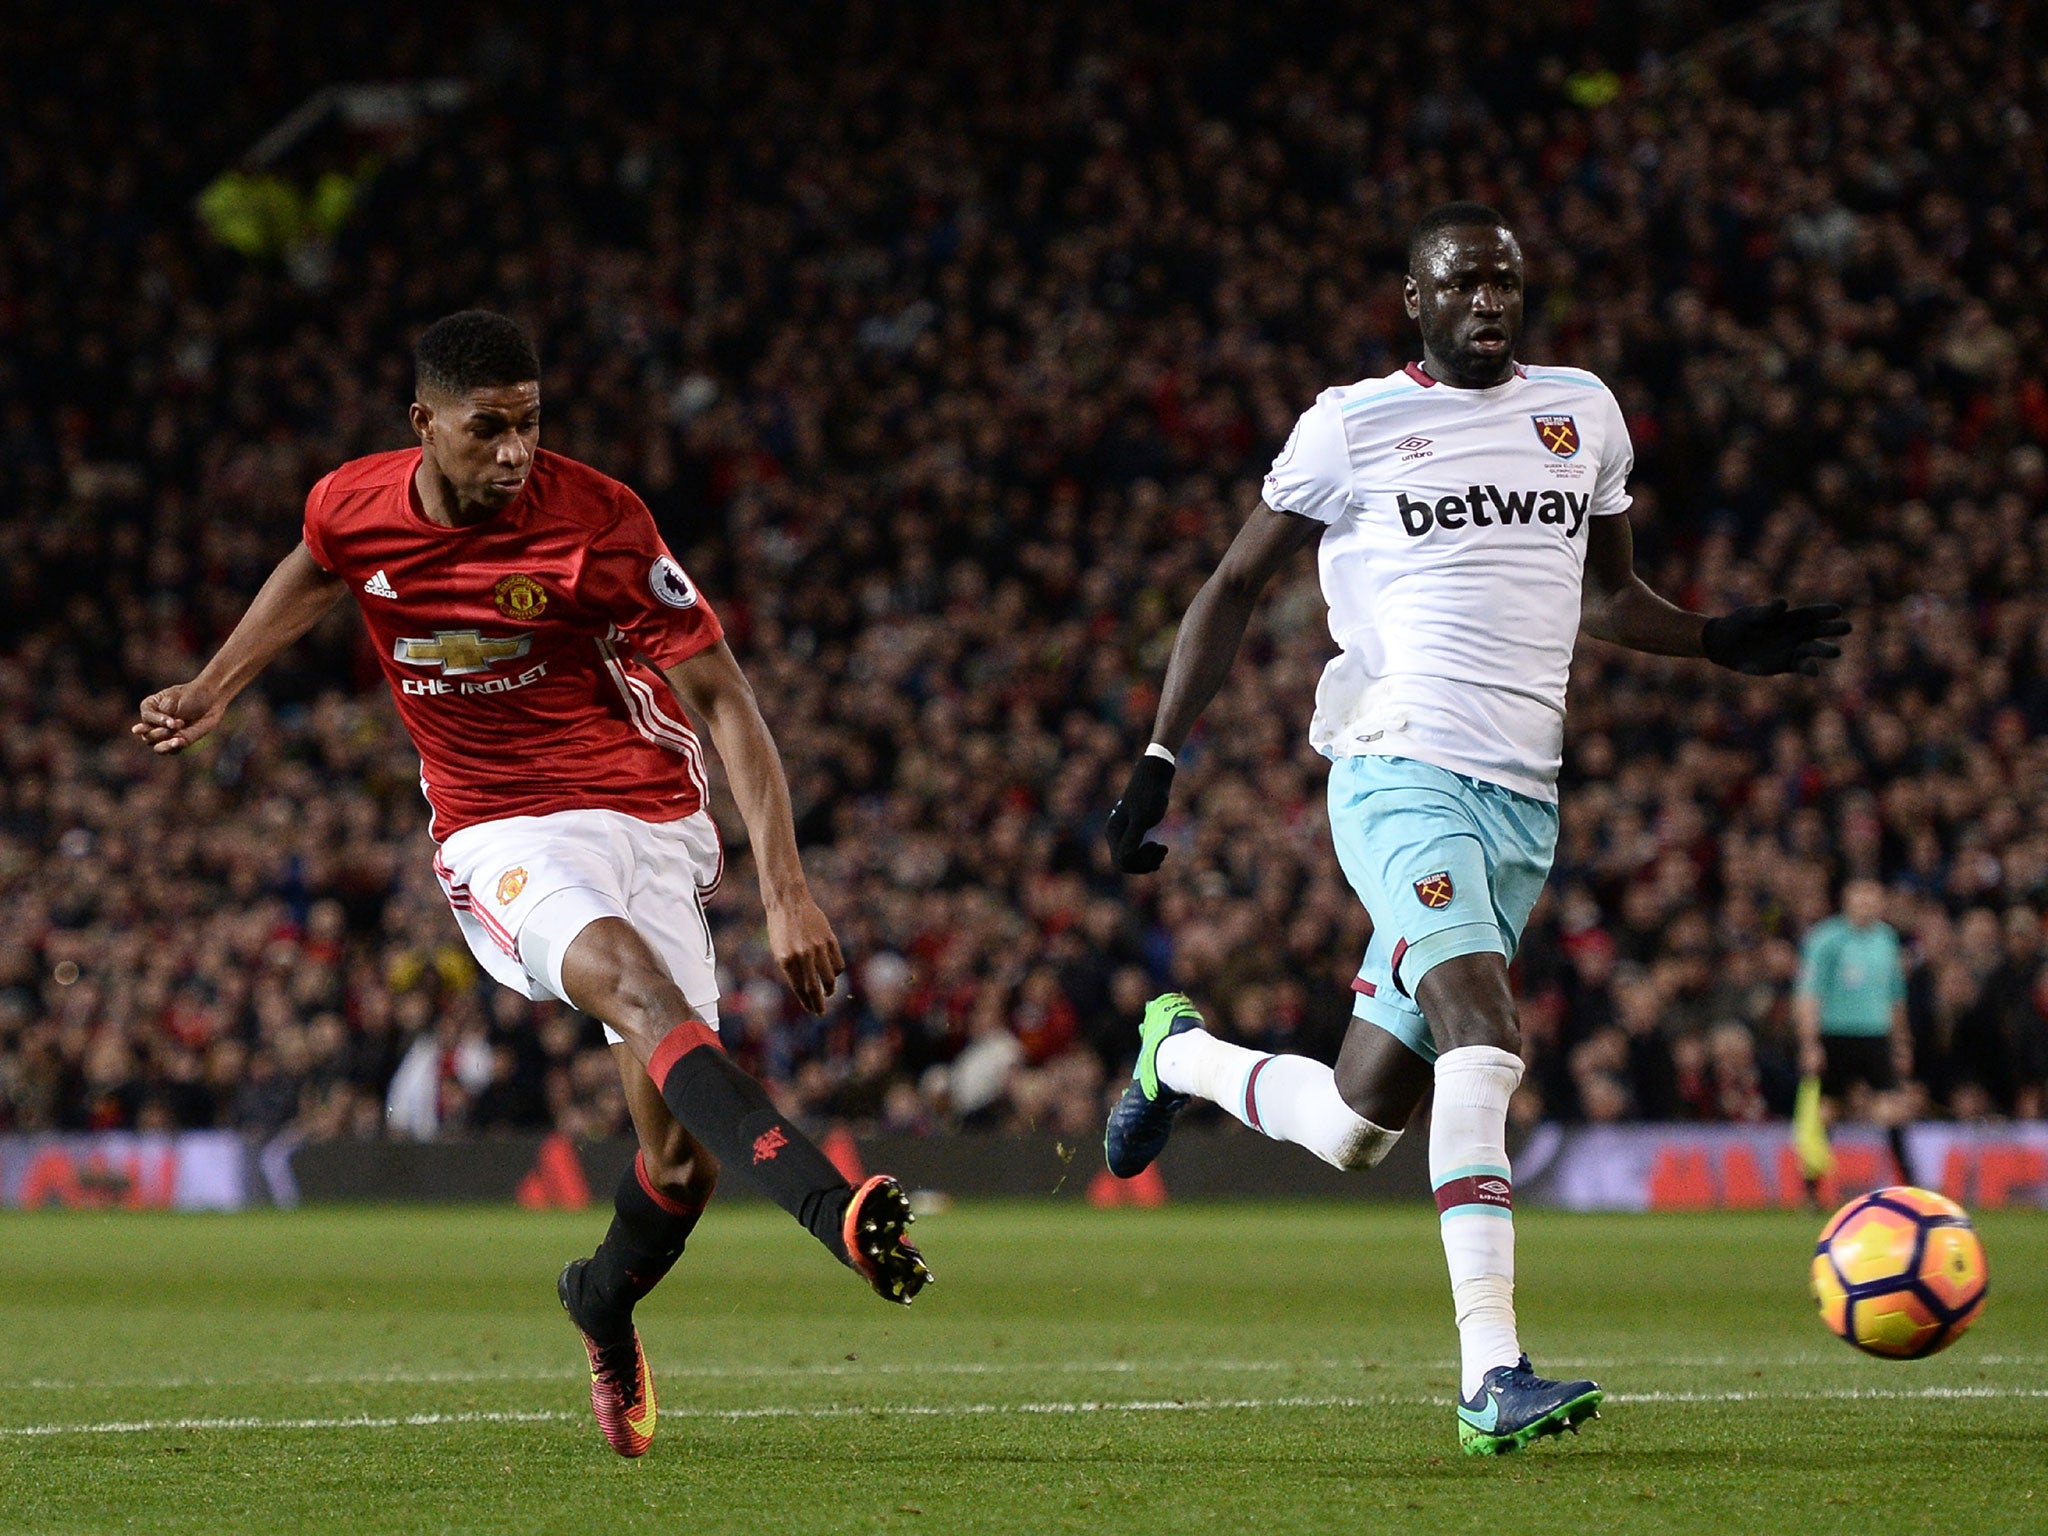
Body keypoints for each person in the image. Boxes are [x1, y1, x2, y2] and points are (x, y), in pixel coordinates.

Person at [1099, 204, 1846, 1455]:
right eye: (1461, 283)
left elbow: (1606, 596)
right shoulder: (1347, 425)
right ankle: (1489, 1377)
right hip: (1396, 775)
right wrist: (1158, 757)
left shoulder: (1581, 414)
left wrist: (1713, 639)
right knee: (1483, 1032)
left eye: (1503, 280)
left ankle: (1177, 1061)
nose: (1487, 301)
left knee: (1354, 1124)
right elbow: (1231, 586)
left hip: (1520, 805)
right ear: (1414, 298)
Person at [134, 310, 931, 1458]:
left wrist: (785, 889)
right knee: (633, 989)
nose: (514, 451)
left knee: (675, 1162)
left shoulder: (598, 523)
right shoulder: (352, 502)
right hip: (498, 829)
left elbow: (724, 700)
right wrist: (217, 684)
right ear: (424, 424)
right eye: (488, 428)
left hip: (645, 814)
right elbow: (316, 569)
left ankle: (600, 1301)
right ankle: (827, 1206)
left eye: (530, 424)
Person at [1794, 879, 1916, 1185]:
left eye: (1872, 898)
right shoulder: (1825, 939)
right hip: (1835, 1034)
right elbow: (1809, 995)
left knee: (1892, 1108)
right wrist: (1810, 1043)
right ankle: (1812, 1185)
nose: (1866, 904)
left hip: (1875, 1035)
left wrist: (1901, 1041)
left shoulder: (1886, 939)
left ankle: (1908, 1182)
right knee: (1827, 1110)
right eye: (1860, 897)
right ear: (1847, 900)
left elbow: (1895, 996)